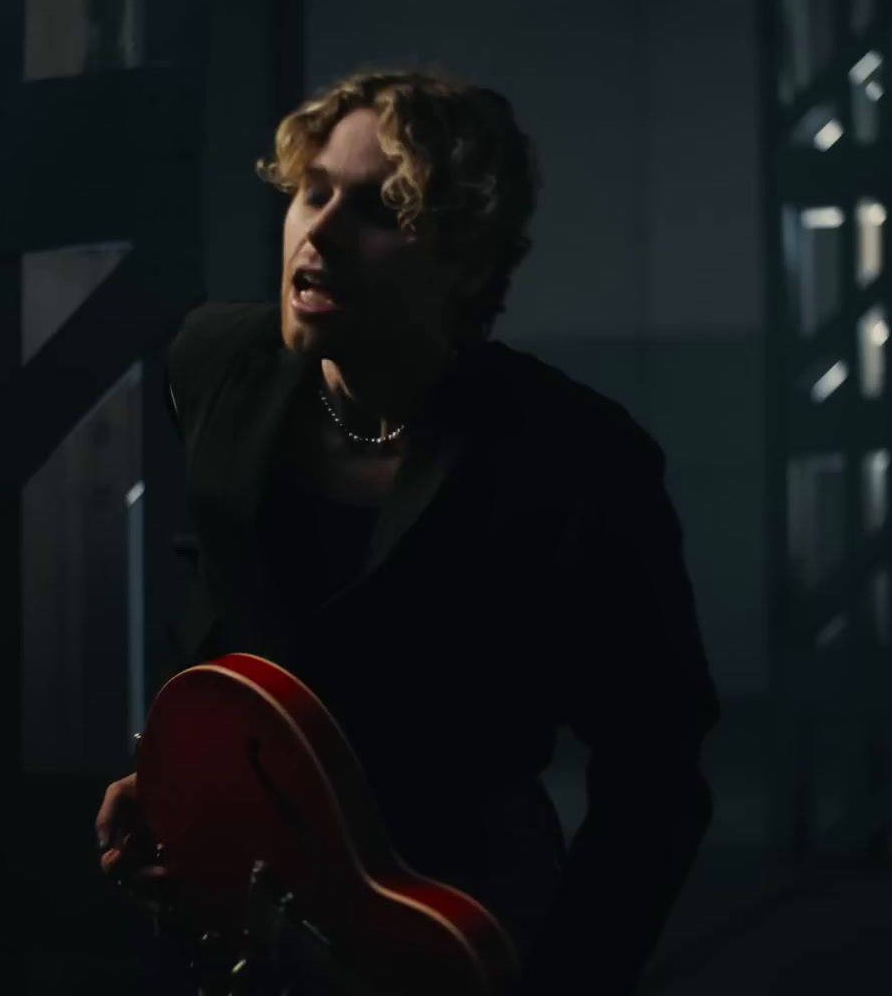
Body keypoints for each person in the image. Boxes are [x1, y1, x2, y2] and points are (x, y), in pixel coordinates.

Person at [95, 66, 719, 995]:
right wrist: (185, 796)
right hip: (252, 913)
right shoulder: (214, 362)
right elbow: (237, 586)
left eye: (379, 210)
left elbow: (656, 773)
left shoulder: (580, 461)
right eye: (312, 193)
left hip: (458, 918)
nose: (320, 231)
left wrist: (570, 977)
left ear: (466, 261)